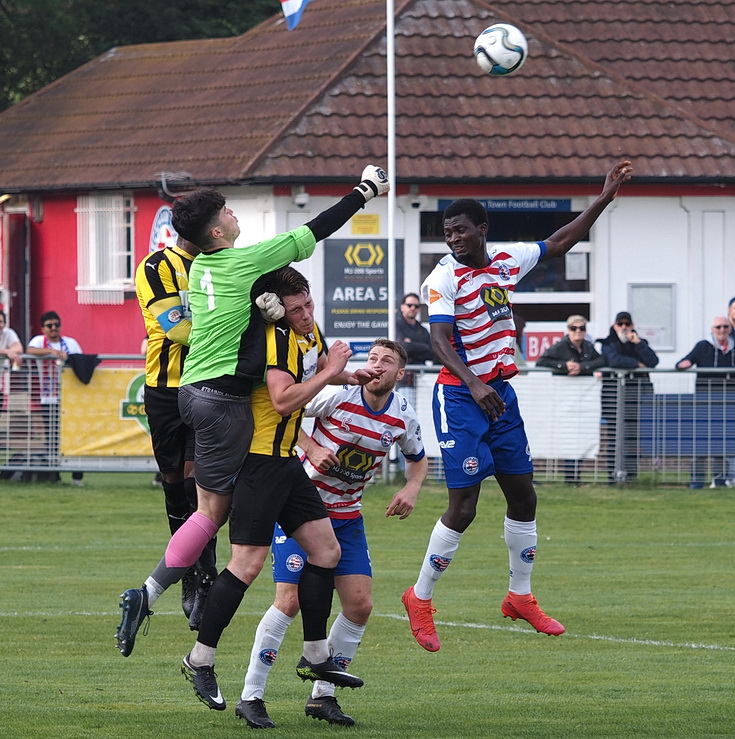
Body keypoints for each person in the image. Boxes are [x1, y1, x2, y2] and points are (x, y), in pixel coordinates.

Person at [115, 164, 389, 658]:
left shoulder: (199, 268)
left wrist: (267, 318)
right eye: (227, 211)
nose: (235, 214)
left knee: (218, 515)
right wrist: (364, 191)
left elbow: (214, 321)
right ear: (217, 231)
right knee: (220, 524)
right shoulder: (244, 262)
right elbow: (315, 229)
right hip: (224, 403)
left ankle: (306, 653)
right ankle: (162, 601)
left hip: (192, 392)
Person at [401, 160, 633, 652]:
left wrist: (603, 199)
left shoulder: (507, 260)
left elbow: (561, 241)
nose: (453, 239)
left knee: (523, 495)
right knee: (464, 505)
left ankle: (519, 596)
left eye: (461, 230)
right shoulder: (442, 278)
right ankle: (419, 598)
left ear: (482, 229)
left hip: (500, 395)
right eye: (447, 232)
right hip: (460, 396)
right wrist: (475, 383)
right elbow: (439, 339)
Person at [181, 268, 376, 712]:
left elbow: (321, 372)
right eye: (295, 310)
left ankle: (314, 656)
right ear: (277, 311)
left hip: (286, 462)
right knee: (246, 566)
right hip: (258, 462)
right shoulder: (276, 339)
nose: (306, 315)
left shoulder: (308, 332)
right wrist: (333, 372)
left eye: (308, 304)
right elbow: (284, 399)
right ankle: (200, 658)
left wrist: (350, 375)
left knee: (326, 552)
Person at [238, 338, 427, 729]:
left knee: (359, 605)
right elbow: (286, 416)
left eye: (386, 361)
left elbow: (418, 458)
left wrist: (411, 488)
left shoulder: (404, 417)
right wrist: (310, 445)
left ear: (399, 374)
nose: (376, 365)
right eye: (372, 358)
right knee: (288, 602)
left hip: (347, 518)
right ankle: (251, 696)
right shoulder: (337, 398)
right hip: (300, 510)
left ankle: (322, 697)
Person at [135, 234, 217, 630]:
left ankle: (206, 578)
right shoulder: (156, 266)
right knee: (173, 485)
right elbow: (174, 328)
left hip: (209, 385)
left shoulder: (225, 262)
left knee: (196, 485)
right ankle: (188, 573)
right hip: (165, 388)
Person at [536, 315, 605, 484]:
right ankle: (570, 477)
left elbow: (602, 360)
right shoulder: (561, 346)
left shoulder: (588, 347)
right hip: (564, 397)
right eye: (574, 328)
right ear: (568, 330)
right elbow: (542, 362)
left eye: (581, 328)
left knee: (581, 435)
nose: (578, 332)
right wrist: (564, 366)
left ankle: (575, 477)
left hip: (583, 398)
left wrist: (582, 367)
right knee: (568, 435)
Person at [598, 311, 659, 482]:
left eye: (627, 324)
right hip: (612, 397)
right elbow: (613, 360)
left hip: (635, 396)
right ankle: (612, 475)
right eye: (620, 324)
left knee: (633, 436)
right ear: (614, 325)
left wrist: (638, 343)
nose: (624, 328)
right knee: (614, 435)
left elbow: (653, 361)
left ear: (632, 326)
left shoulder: (640, 343)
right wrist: (636, 365)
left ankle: (631, 475)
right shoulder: (608, 342)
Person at [676, 316, 735, 488]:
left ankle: (720, 480)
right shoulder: (703, 346)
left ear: (730, 329)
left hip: (728, 403)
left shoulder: (733, 347)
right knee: (701, 444)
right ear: (712, 329)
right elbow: (684, 361)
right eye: (718, 327)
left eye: (725, 326)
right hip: (705, 403)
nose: (722, 330)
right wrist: (683, 364)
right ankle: (697, 482)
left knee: (723, 443)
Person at [26, 311, 84, 485]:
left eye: (56, 325)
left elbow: (80, 360)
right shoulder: (38, 341)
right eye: (49, 326)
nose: (54, 329)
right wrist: (51, 352)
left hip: (69, 398)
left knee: (74, 436)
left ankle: (77, 477)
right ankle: (54, 476)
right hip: (48, 398)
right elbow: (29, 350)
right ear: (43, 328)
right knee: (52, 438)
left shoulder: (71, 343)